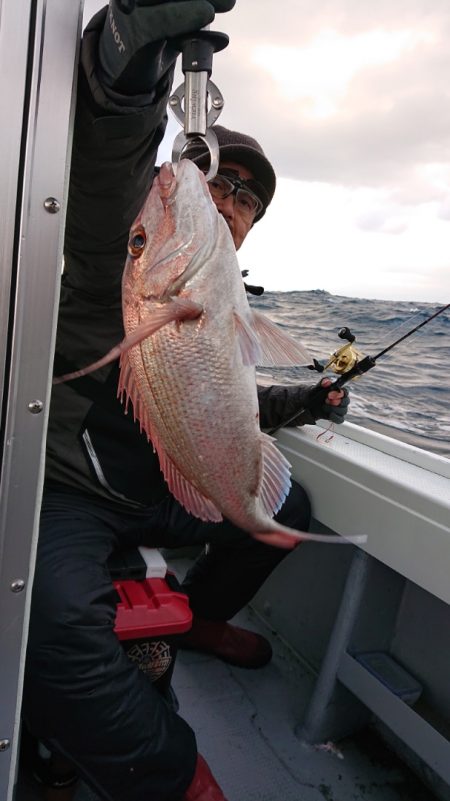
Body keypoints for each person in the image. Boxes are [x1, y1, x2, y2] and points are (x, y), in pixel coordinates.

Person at [23, 3, 349, 800]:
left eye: (249, 200)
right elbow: (111, 162)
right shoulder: (126, 248)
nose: (232, 201)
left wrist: (307, 398)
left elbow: (222, 398)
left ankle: (200, 616)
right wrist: (129, 61)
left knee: (287, 509)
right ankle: (174, 774)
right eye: (222, 179)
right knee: (55, 618)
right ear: (185, 177)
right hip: (77, 491)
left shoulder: (225, 298)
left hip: (166, 488)